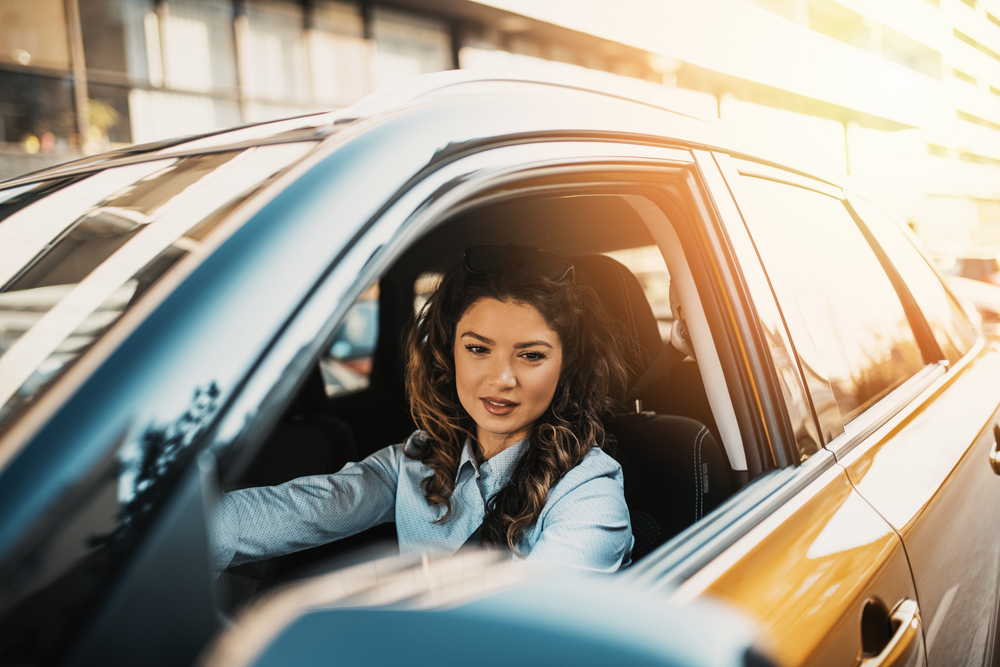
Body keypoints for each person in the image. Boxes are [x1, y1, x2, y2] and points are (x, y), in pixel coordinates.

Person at [210, 245, 636, 574]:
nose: (502, 378)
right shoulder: (417, 460)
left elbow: (536, 637)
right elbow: (296, 510)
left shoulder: (588, 492)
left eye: (531, 355)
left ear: (566, 364)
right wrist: (164, 535)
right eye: (477, 348)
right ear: (449, 354)